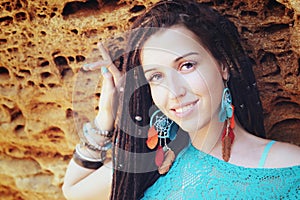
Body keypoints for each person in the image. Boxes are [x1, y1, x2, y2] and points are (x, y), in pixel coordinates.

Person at [62, 0, 300, 199]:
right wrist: (105, 117)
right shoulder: (163, 155)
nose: (174, 92)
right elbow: (73, 190)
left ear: (223, 65)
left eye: (187, 65)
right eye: (156, 76)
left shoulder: (287, 170)